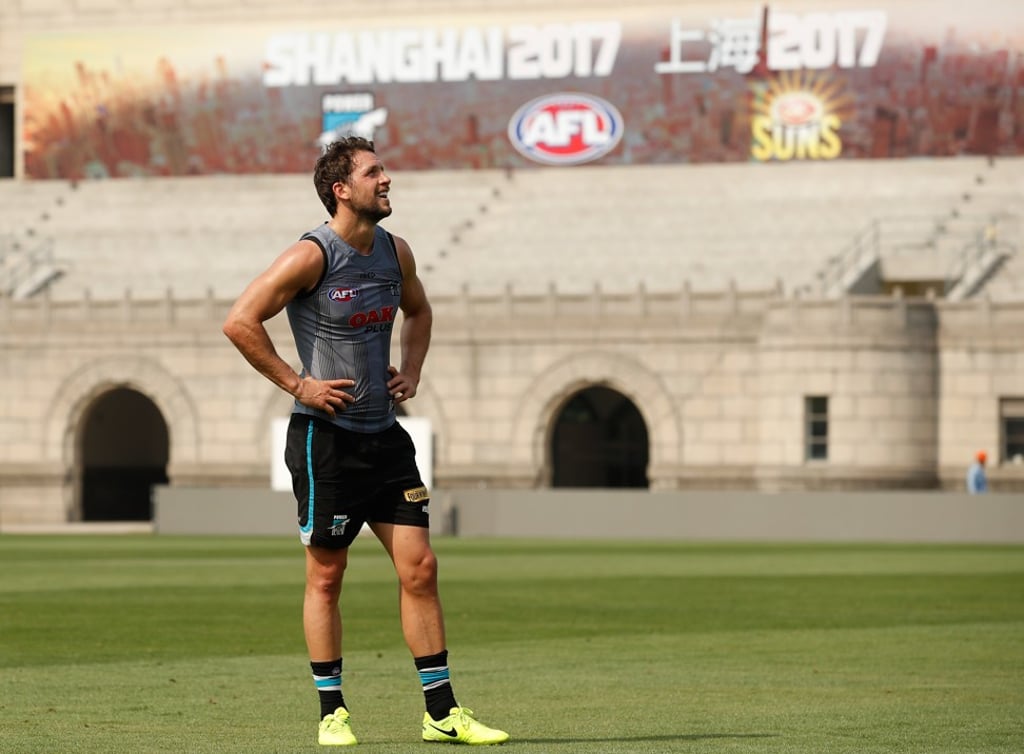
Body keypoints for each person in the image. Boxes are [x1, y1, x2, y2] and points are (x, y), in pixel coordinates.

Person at [222, 136, 509, 747]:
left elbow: (420, 312)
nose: (387, 180)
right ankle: (332, 712)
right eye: (374, 173)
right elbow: (239, 321)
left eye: (384, 171)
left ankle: (441, 713)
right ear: (341, 190)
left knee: (422, 568)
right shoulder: (310, 256)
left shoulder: (395, 252)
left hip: (385, 437)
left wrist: (414, 367)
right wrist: (299, 384)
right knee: (327, 576)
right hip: (325, 441)